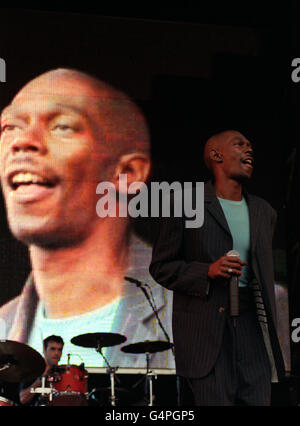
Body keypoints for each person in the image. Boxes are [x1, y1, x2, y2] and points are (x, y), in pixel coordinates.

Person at [0, 68, 174, 369]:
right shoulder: (3, 325)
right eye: (9, 127)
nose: (22, 141)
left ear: (127, 174)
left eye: (62, 126)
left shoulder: (212, 311)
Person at [149, 130, 285, 405]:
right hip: (207, 329)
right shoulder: (184, 203)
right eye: (240, 144)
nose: (249, 149)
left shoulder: (263, 211)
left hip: (253, 327)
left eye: (250, 145)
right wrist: (206, 271)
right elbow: (162, 266)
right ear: (216, 155)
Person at [19, 335, 64, 405]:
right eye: (52, 349)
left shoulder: (61, 372)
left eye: (59, 350)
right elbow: (22, 399)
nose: (57, 353)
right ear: (44, 350)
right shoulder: (32, 369)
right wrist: (41, 379)